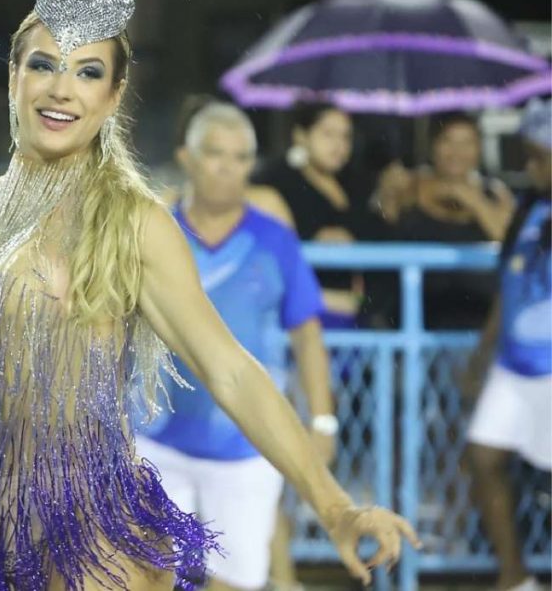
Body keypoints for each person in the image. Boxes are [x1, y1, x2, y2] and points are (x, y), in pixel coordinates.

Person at [0, 0, 417, 591]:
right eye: (43, 64)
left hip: (99, 541)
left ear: (113, 94)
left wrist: (336, 507)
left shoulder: (132, 222)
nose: (61, 88)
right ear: (14, 73)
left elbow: (231, 371)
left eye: (88, 72)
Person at [133, 101, 336, 591]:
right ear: (187, 157)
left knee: (236, 583)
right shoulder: (153, 232)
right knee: (148, 575)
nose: (230, 169)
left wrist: (322, 420)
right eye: (216, 155)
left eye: (242, 158)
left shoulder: (275, 242)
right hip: (155, 438)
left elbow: (307, 335)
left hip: (247, 446)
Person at [462, 100, 551, 591]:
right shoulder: (529, 208)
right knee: (484, 457)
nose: (531, 166)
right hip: (514, 365)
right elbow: (509, 288)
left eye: (541, 156)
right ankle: (514, 578)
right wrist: (481, 354)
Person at [373, 113, 515, 329]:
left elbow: (511, 240)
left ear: (479, 148)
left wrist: (475, 202)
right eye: (448, 141)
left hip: (477, 321)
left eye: (467, 142)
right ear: (432, 146)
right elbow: (384, 227)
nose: (457, 152)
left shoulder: (496, 194)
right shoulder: (408, 187)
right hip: (416, 321)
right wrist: (387, 194)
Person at [254, 105, 374, 329]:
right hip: (299, 314)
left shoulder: (357, 183)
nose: (338, 145)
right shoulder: (277, 182)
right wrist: (313, 238)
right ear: (301, 136)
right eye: (328, 134)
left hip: (354, 312)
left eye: (345, 136)